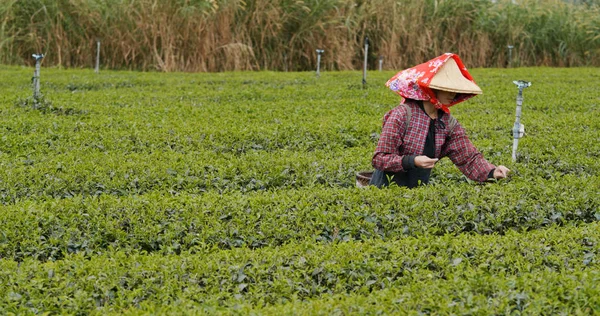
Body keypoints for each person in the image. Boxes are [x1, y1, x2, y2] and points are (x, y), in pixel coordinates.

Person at [370, 53, 510, 188]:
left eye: (454, 89)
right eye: (446, 89)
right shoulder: (402, 114)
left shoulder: (447, 123)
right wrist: (412, 161)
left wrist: (492, 172)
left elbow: (468, 158)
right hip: (385, 190)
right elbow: (380, 158)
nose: (452, 94)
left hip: (417, 196)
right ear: (432, 89)